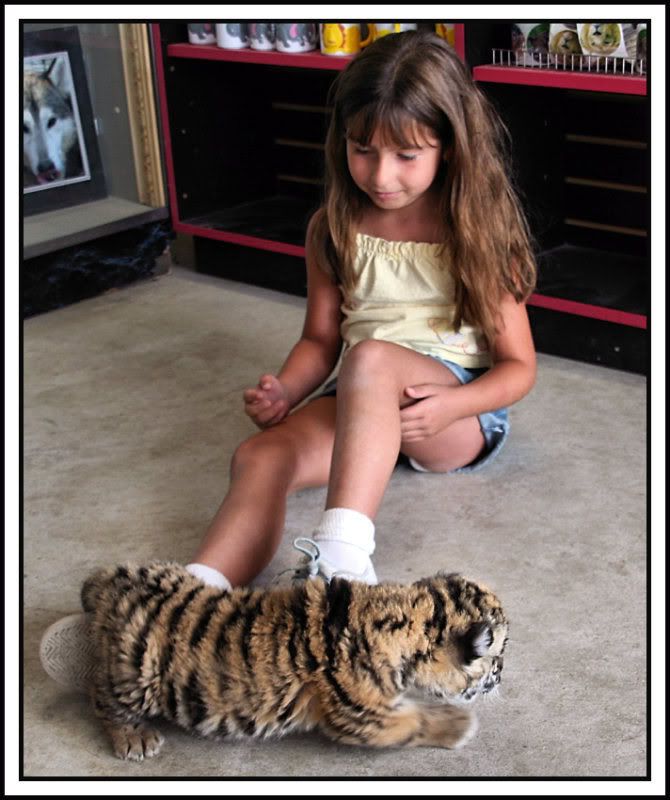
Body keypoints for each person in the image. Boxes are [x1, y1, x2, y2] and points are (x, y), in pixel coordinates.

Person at [40, 31, 537, 686]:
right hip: (366, 396)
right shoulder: (333, 226)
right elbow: (322, 342)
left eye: (407, 155)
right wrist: (287, 393)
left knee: (372, 364)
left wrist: (455, 403)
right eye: (364, 151)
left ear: (450, 148)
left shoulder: (477, 229)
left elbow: (518, 369)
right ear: (342, 144)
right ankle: (185, 611)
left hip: (454, 416)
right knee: (259, 455)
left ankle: (341, 569)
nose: (381, 175)